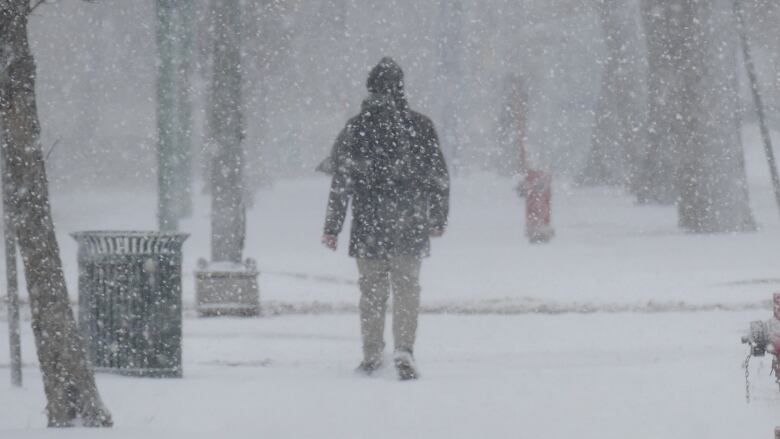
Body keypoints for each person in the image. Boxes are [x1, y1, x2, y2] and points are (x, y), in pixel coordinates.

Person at [321, 57, 450, 380]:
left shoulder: (356, 127)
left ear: (370, 88)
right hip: (409, 222)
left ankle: (372, 352)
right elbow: (438, 176)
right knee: (407, 288)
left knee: (372, 290)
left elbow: (341, 181)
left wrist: (332, 226)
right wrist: (437, 216)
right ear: (401, 88)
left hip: (368, 225)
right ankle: (404, 348)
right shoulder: (419, 126)